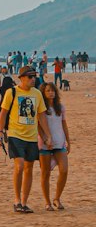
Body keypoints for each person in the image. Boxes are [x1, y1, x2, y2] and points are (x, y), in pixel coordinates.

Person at [0, 65, 52, 214]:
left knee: (29, 168)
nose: (33, 79)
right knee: (20, 166)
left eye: (34, 76)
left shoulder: (37, 94)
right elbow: (3, 113)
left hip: (32, 137)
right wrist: (0, 132)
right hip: (16, 135)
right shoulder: (11, 92)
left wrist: (47, 135)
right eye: (30, 77)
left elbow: (41, 116)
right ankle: (16, 200)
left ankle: (24, 202)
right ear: (21, 78)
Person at [39, 81, 70, 211]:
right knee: (45, 173)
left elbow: (64, 124)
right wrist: (45, 139)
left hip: (59, 142)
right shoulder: (41, 108)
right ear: (43, 93)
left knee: (64, 170)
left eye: (52, 90)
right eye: (48, 91)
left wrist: (68, 140)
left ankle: (57, 198)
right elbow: (38, 125)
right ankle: (47, 202)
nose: (51, 93)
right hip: (45, 144)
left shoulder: (60, 107)